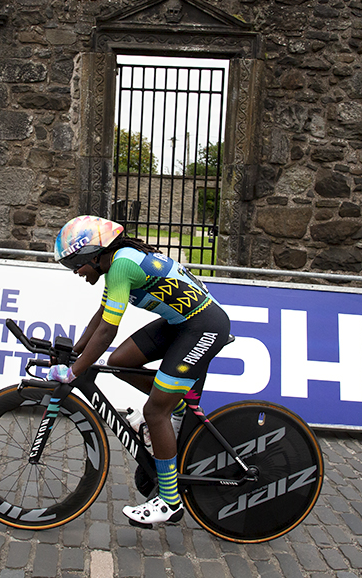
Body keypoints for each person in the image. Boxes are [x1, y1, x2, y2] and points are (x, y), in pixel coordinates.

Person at [49, 215, 230, 527]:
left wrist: (74, 372)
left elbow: (107, 331)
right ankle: (178, 406)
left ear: (92, 255)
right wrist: (74, 352)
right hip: (182, 324)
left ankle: (170, 503)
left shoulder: (121, 266)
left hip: (203, 327)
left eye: (75, 264)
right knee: (120, 362)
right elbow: (101, 316)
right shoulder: (116, 264)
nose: (76, 272)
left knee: (154, 411)